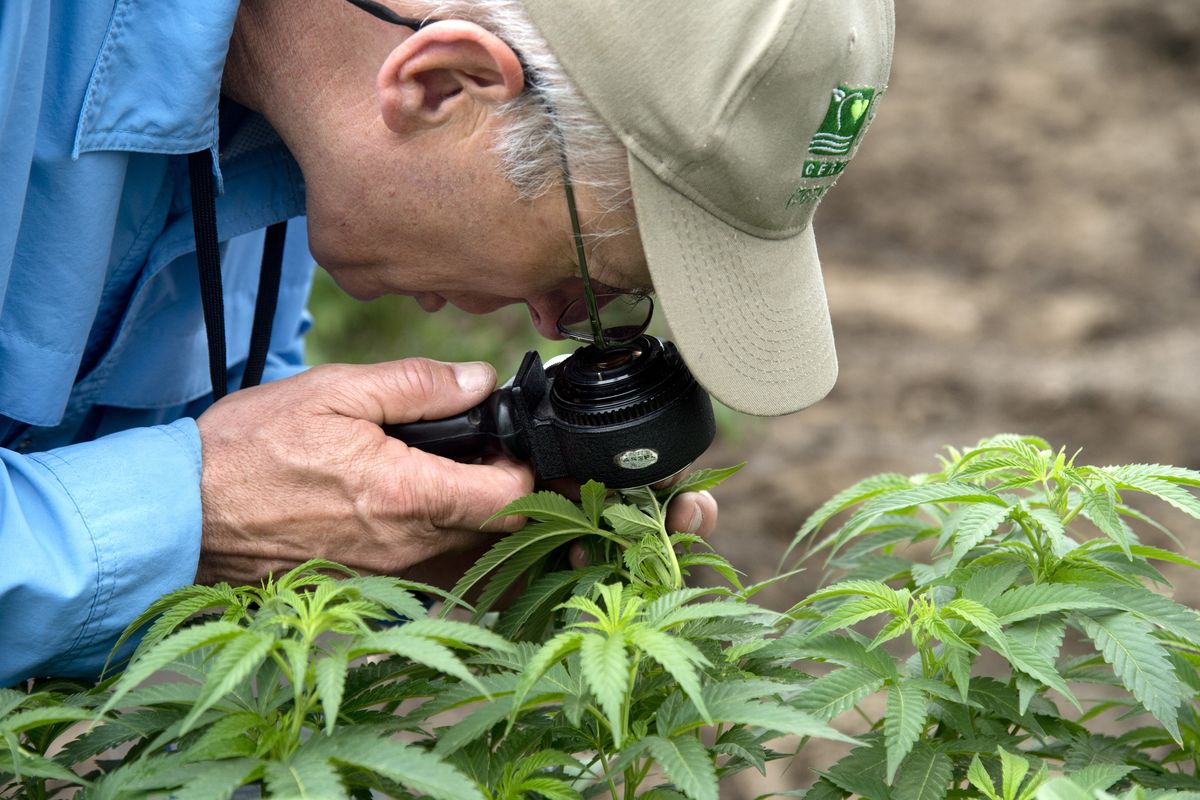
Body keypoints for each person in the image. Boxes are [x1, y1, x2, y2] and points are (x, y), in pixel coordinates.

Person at [0, 0, 894, 686]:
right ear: (441, 85)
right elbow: (184, 492)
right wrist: (196, 517)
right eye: (584, 279)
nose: (552, 326)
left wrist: (388, 558)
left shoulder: (292, 133)